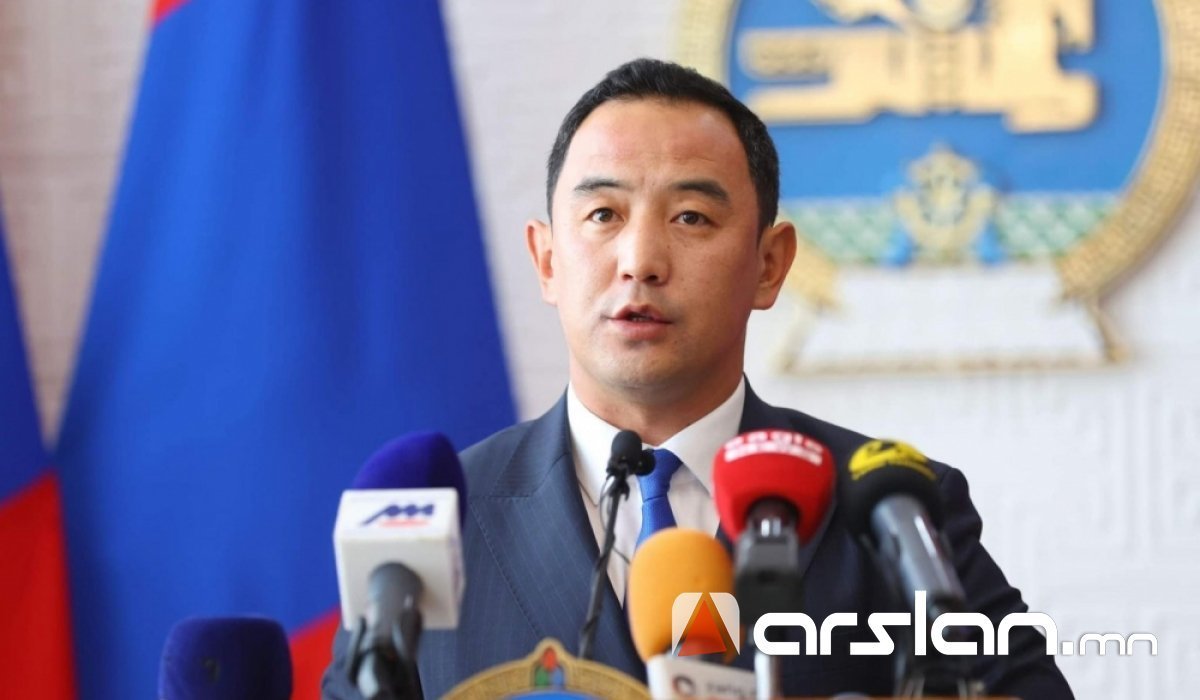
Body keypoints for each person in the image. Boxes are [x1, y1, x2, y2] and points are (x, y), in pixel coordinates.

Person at [322, 58, 1072, 699]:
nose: (640, 260)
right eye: (603, 214)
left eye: (689, 217)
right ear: (547, 260)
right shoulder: (430, 528)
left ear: (769, 265)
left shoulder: (893, 511)